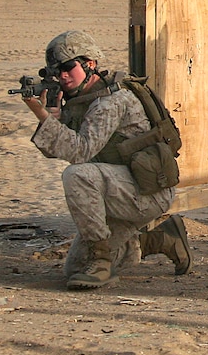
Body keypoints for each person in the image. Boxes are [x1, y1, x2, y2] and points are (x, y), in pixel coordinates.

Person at [23, 30, 192, 290]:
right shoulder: (82, 100)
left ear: (90, 64)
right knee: (76, 269)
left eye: (69, 67)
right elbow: (56, 149)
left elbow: (80, 152)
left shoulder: (112, 101)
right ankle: (162, 240)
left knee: (77, 175)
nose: (63, 76)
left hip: (145, 193)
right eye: (57, 71)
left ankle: (101, 261)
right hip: (116, 192)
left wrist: (43, 116)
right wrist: (53, 119)